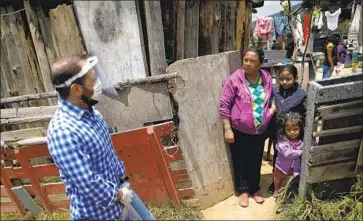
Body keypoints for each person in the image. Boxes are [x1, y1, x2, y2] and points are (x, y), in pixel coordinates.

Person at [47, 55, 155, 221]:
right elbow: (88, 183)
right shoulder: (63, 132)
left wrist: (122, 186)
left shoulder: (92, 114)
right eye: (92, 81)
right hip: (99, 214)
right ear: (76, 89)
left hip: (122, 196)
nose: (98, 85)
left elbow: (107, 157)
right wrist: (119, 195)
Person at [219, 47, 276, 207]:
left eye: (253, 61)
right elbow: (224, 105)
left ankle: (255, 189)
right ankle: (243, 191)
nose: (248, 64)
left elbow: (271, 97)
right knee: (241, 160)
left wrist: (271, 111)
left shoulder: (265, 77)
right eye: (246, 60)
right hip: (240, 129)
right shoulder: (235, 79)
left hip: (260, 130)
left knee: (256, 159)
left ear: (260, 64)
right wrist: (227, 128)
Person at [267, 64, 306, 194]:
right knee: (278, 156)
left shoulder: (301, 94)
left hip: (294, 133)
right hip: (279, 132)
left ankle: (292, 183)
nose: (284, 82)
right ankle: (276, 181)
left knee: (294, 159)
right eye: (281, 78)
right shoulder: (275, 91)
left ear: (295, 78)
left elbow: (306, 114)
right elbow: (272, 105)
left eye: (288, 78)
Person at [273, 112, 304, 198]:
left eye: (295, 129)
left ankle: (281, 198)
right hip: (280, 167)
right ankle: (276, 191)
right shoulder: (282, 140)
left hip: (292, 169)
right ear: (284, 129)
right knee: (277, 181)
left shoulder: (302, 141)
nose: (292, 132)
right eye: (288, 130)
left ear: (300, 128)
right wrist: (301, 152)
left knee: (285, 184)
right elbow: (287, 153)